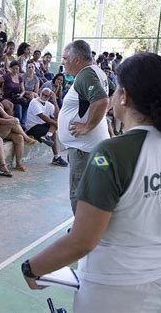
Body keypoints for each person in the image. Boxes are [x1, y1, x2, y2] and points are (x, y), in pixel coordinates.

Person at [22, 52, 161, 313]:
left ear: (125, 95)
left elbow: (82, 241)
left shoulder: (111, 154)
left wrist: (33, 269)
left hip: (112, 294)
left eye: (116, 89)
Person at [57, 40, 111, 214]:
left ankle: (81, 234)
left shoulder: (85, 75)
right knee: (96, 188)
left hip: (83, 150)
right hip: (92, 146)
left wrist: (88, 126)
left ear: (77, 59)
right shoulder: (98, 72)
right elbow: (116, 94)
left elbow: (102, 100)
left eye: (65, 58)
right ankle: (92, 230)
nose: (63, 62)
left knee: (79, 191)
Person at [0, 89, 36, 172]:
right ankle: (27, 138)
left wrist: (14, 119)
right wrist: (11, 121)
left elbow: (6, 116)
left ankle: (19, 163)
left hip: (2, 129)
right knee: (12, 123)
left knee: (19, 137)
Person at [26, 88, 67, 167]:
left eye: (46, 96)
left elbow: (57, 116)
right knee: (54, 128)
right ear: (40, 93)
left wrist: (55, 101)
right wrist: (56, 124)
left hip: (41, 125)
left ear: (49, 97)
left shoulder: (49, 104)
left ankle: (48, 136)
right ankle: (56, 156)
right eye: (43, 94)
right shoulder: (34, 102)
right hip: (32, 127)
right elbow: (42, 116)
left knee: (55, 123)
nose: (44, 96)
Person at [0, 60, 29, 127]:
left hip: (17, 97)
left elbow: (23, 90)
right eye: (14, 69)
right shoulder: (7, 76)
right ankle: (18, 125)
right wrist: (0, 90)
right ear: (10, 68)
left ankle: (22, 124)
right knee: (18, 107)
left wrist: (21, 95)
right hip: (8, 97)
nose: (15, 70)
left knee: (25, 104)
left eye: (17, 69)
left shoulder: (20, 77)